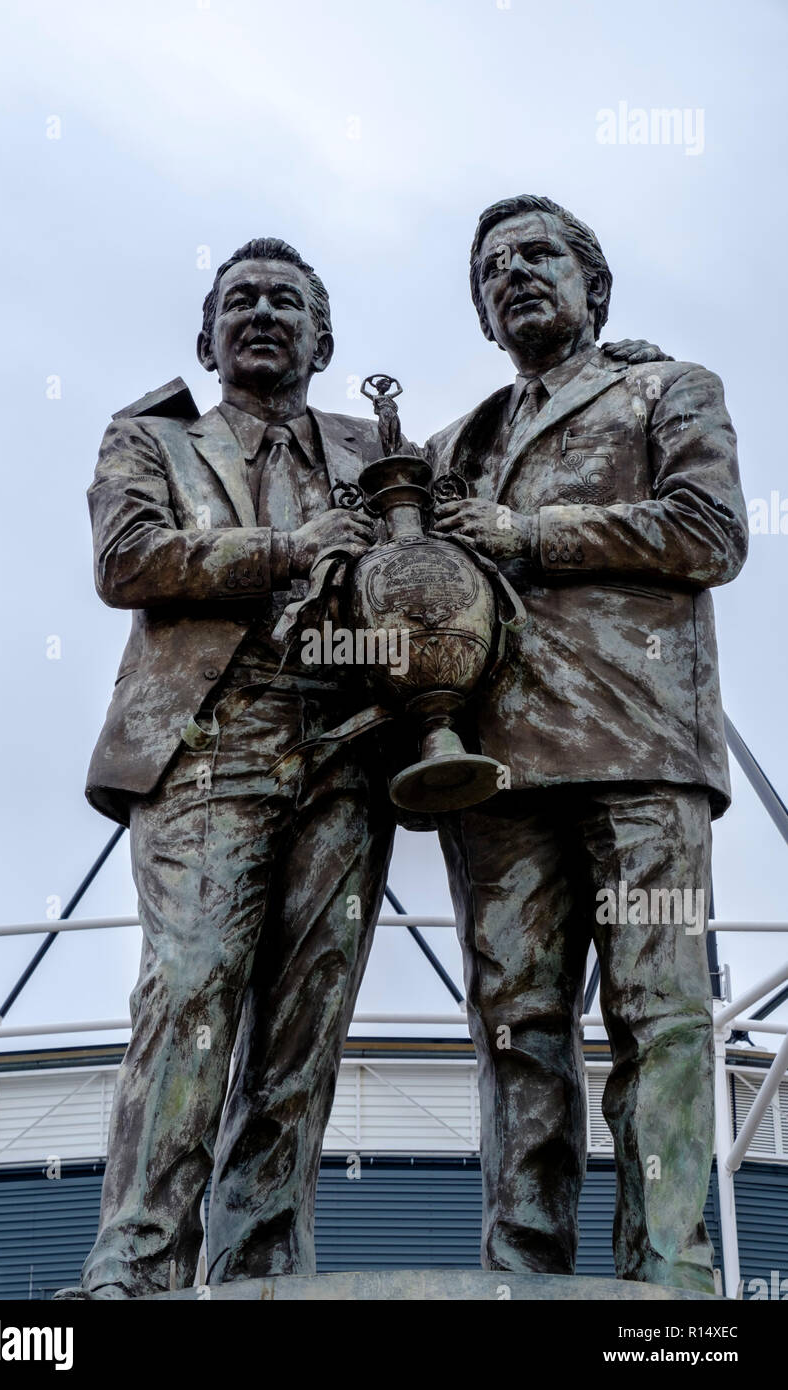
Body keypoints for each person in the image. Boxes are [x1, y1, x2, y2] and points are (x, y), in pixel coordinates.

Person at [60, 238, 396, 1298]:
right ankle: (138, 1265)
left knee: (306, 1019)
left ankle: (261, 1271)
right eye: (238, 299)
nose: (261, 312)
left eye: (285, 301)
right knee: (194, 985)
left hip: (347, 749)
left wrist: (612, 354)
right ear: (205, 337)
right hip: (210, 743)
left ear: (323, 338)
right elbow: (129, 560)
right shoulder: (150, 439)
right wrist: (288, 552)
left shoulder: (380, 449)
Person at [425, 195, 748, 1292]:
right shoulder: (456, 443)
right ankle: (524, 1272)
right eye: (490, 269)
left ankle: (668, 1279)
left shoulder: (665, 387)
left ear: (592, 287)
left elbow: (707, 532)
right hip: (496, 770)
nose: (511, 274)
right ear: (478, 310)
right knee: (517, 1029)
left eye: (536, 255)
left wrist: (526, 534)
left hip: (639, 749)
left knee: (655, 1016)